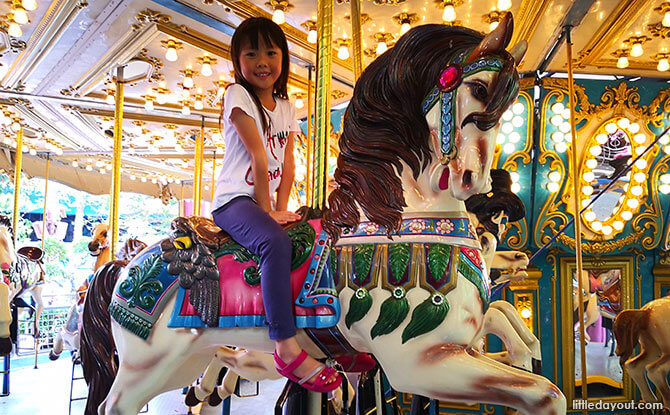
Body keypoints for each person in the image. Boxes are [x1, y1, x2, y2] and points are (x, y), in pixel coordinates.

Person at [211, 17, 341, 393]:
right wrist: (269, 215)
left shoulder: (285, 104)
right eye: (252, 54)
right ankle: (285, 345)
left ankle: (331, 338)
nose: (262, 61)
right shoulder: (238, 95)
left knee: (311, 236)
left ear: (283, 57)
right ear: (238, 61)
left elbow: (287, 163)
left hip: (265, 201)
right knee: (274, 243)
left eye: (271, 52)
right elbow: (259, 157)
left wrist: (284, 209)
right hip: (235, 200)